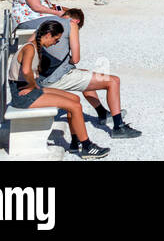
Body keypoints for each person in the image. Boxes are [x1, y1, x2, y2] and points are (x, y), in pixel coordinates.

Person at [41, 8, 141, 145]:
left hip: (42, 77)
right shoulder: (71, 24)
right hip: (54, 78)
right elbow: (75, 59)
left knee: (83, 74)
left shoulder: (47, 22)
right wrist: (68, 63)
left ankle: (102, 113)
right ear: (76, 21)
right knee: (113, 81)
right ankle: (119, 127)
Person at [11, 21, 109, 159]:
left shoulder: (35, 46)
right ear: (48, 35)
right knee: (74, 106)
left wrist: (34, 85)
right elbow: (26, 70)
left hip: (29, 88)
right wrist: (32, 85)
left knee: (75, 99)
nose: (56, 43)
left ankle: (75, 142)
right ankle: (86, 146)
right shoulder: (30, 48)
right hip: (22, 94)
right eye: (56, 39)